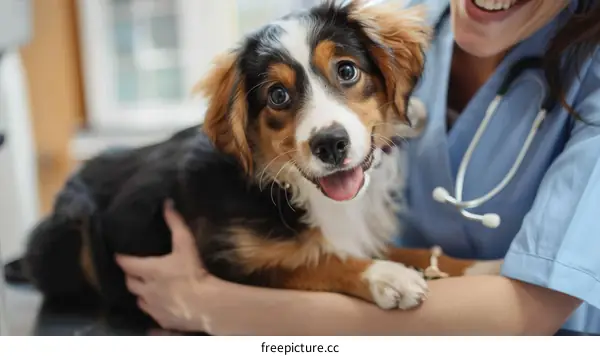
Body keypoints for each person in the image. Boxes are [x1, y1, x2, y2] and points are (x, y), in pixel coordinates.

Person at [115, 0, 600, 335]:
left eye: (345, 73)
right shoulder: (384, 19)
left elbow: (523, 317)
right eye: (283, 96)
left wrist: (215, 308)